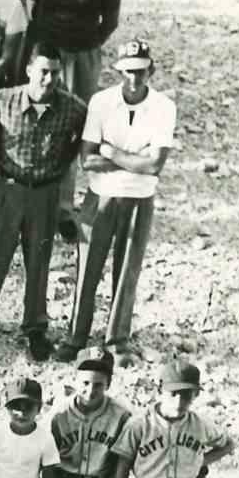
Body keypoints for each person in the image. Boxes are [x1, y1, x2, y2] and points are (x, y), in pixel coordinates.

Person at [0, 49, 87, 357]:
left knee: (39, 260)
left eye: (55, 73)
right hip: (7, 188)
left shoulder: (72, 108)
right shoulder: (2, 101)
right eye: (43, 71)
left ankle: (35, 327)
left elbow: (84, 139)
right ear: (30, 69)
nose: (48, 80)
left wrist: (62, 168)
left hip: (45, 192)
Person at [72, 39, 175, 353]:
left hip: (139, 197)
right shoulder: (101, 102)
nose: (135, 78)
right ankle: (76, 335)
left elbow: (155, 164)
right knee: (87, 267)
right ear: (119, 71)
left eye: (141, 71)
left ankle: (117, 339)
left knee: (127, 268)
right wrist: (134, 159)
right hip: (100, 194)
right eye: (129, 71)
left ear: (151, 70)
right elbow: (86, 159)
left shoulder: (163, 107)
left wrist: (111, 151)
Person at [28, 0, 122, 231]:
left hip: (83, 57)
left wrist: (87, 44)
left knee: (76, 125)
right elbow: (33, 15)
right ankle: (42, 202)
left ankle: (67, 209)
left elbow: (109, 21)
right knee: (45, 123)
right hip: (50, 59)